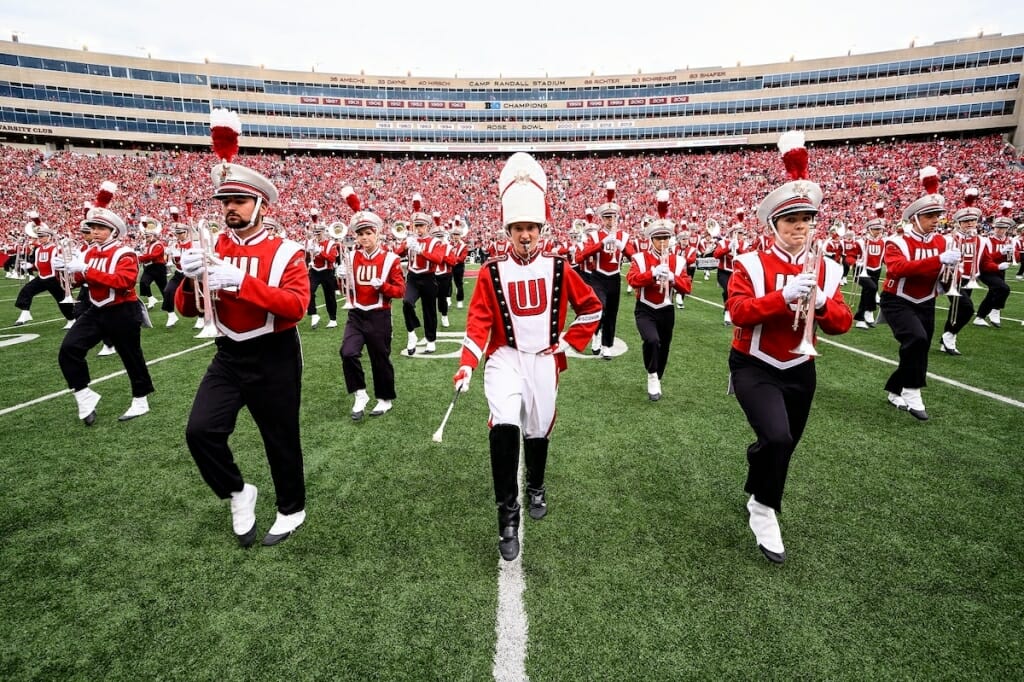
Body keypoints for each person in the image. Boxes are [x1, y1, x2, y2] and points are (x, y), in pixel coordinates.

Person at [453, 152, 602, 561]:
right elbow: (479, 322)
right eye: (517, 228)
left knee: (538, 428)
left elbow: (592, 308)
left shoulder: (560, 267)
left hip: (543, 360)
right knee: (503, 424)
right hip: (505, 358)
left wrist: (569, 343)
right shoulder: (491, 271)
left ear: (541, 230)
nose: (524, 236)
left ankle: (535, 483)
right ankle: (507, 515)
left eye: (531, 228)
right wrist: (466, 363)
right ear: (508, 231)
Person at [175, 109, 310, 547]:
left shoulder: (287, 249)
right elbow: (189, 311)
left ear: (259, 205)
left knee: (280, 438)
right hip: (228, 352)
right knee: (200, 431)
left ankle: (292, 509)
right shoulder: (210, 245)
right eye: (225, 203)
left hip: (274, 353)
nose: (230, 209)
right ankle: (237, 491)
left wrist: (242, 282)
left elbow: (297, 306)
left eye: (238, 202)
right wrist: (189, 277)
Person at [727, 131, 852, 564]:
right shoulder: (749, 263)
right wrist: (781, 297)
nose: (800, 228)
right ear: (774, 225)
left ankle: (759, 465)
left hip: (801, 365)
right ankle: (763, 508)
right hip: (754, 363)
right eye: (791, 221)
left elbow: (843, 324)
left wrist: (819, 300)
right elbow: (739, 312)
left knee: (785, 442)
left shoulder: (828, 267)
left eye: (806, 220)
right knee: (777, 436)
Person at [55, 182, 155, 425]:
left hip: (123, 311)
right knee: (69, 349)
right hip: (95, 308)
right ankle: (84, 394)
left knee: (131, 357)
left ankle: (140, 399)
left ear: (114, 232)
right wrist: (66, 270)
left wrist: (86, 269)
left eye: (101, 228)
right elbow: (80, 280)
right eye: (93, 227)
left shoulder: (126, 253)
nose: (95, 232)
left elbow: (124, 282)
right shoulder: (88, 252)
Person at [879, 165, 957, 420]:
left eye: (938, 215)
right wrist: (938, 259)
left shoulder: (944, 241)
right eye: (930, 216)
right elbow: (897, 269)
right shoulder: (896, 241)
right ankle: (912, 391)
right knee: (916, 339)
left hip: (926, 300)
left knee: (918, 347)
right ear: (915, 219)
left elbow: (944, 273)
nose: (936, 220)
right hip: (897, 299)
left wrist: (950, 275)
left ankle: (895, 389)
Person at [337, 190, 406, 419]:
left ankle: (384, 399)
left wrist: (383, 287)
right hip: (356, 314)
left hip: (379, 315)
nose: (364, 238)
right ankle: (360, 393)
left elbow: (400, 291)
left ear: (377, 234)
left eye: (368, 233)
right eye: (360, 234)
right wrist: (339, 277)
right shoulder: (351, 257)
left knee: (380, 359)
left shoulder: (391, 259)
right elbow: (345, 290)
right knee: (347, 352)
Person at [625, 209, 692, 401]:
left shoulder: (678, 260)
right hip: (645, 308)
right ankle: (652, 374)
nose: (662, 242)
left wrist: (673, 277)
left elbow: (687, 287)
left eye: (665, 238)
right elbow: (632, 280)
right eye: (658, 238)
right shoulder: (640, 258)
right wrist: (652, 273)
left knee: (664, 346)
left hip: (666, 308)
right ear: (651, 240)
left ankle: (657, 374)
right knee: (652, 340)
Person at [574, 181, 634, 358]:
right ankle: (596, 334)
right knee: (600, 307)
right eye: (607, 217)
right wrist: (601, 244)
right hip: (598, 277)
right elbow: (580, 257)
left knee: (612, 312)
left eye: (613, 217)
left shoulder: (623, 235)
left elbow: (633, 257)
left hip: (614, 277)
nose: (610, 220)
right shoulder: (594, 235)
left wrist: (620, 244)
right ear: (601, 219)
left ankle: (607, 345)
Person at [938, 189, 994, 355]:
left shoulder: (982, 240)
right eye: (966, 221)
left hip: (969, 278)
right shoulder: (948, 238)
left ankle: (946, 338)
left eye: (973, 220)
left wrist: (998, 266)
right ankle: (950, 336)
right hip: (950, 278)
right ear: (959, 223)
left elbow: (986, 262)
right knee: (967, 308)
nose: (970, 223)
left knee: (957, 309)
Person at [396, 195, 446, 355]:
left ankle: (431, 340)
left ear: (428, 227)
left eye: (421, 226)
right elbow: (396, 253)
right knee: (407, 303)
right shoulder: (410, 239)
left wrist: (421, 250)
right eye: (416, 226)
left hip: (428, 278)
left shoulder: (434, 242)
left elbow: (438, 259)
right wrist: (404, 245)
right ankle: (412, 334)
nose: (418, 229)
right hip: (412, 277)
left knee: (429, 310)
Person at [13, 212, 76, 328]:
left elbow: (64, 261)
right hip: (42, 278)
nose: (40, 239)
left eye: (42, 236)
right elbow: (38, 264)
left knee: (62, 300)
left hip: (54, 279)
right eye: (39, 236)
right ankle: (25, 312)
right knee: (26, 291)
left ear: (49, 237)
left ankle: (71, 320)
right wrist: (29, 266)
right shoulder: (38, 250)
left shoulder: (55, 248)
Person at [972, 202, 1014, 328]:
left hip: (1000, 270)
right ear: (993, 228)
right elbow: (986, 258)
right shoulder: (987, 240)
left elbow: (1012, 258)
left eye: (1003, 228)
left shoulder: (1009, 240)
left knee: (994, 292)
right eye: (998, 228)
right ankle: (995, 310)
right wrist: (1000, 252)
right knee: (1004, 289)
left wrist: (1010, 255)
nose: (1000, 230)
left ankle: (980, 317)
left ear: (1007, 229)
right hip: (987, 270)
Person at [852, 206, 886, 329]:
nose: (878, 231)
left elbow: (884, 257)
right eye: (876, 229)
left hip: (876, 270)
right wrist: (853, 260)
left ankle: (860, 319)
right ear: (869, 229)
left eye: (880, 229)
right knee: (871, 289)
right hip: (861, 271)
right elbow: (851, 255)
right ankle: (869, 310)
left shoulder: (883, 242)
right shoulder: (861, 242)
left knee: (867, 292)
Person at [306, 214, 341, 329]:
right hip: (315, 271)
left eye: (319, 233)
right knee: (309, 291)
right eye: (315, 233)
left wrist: (320, 252)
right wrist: (309, 260)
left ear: (324, 232)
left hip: (327, 271)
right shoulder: (312, 242)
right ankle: (314, 314)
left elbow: (331, 259)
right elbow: (307, 255)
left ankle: (333, 319)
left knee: (329, 296)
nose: (317, 236)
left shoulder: (331, 244)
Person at [137, 217, 168, 310]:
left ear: (154, 236)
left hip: (159, 268)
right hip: (149, 268)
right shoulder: (148, 245)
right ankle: (151, 298)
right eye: (146, 237)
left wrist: (138, 258)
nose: (146, 238)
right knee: (143, 283)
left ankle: (168, 307)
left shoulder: (158, 245)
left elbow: (152, 256)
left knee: (163, 289)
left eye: (148, 236)